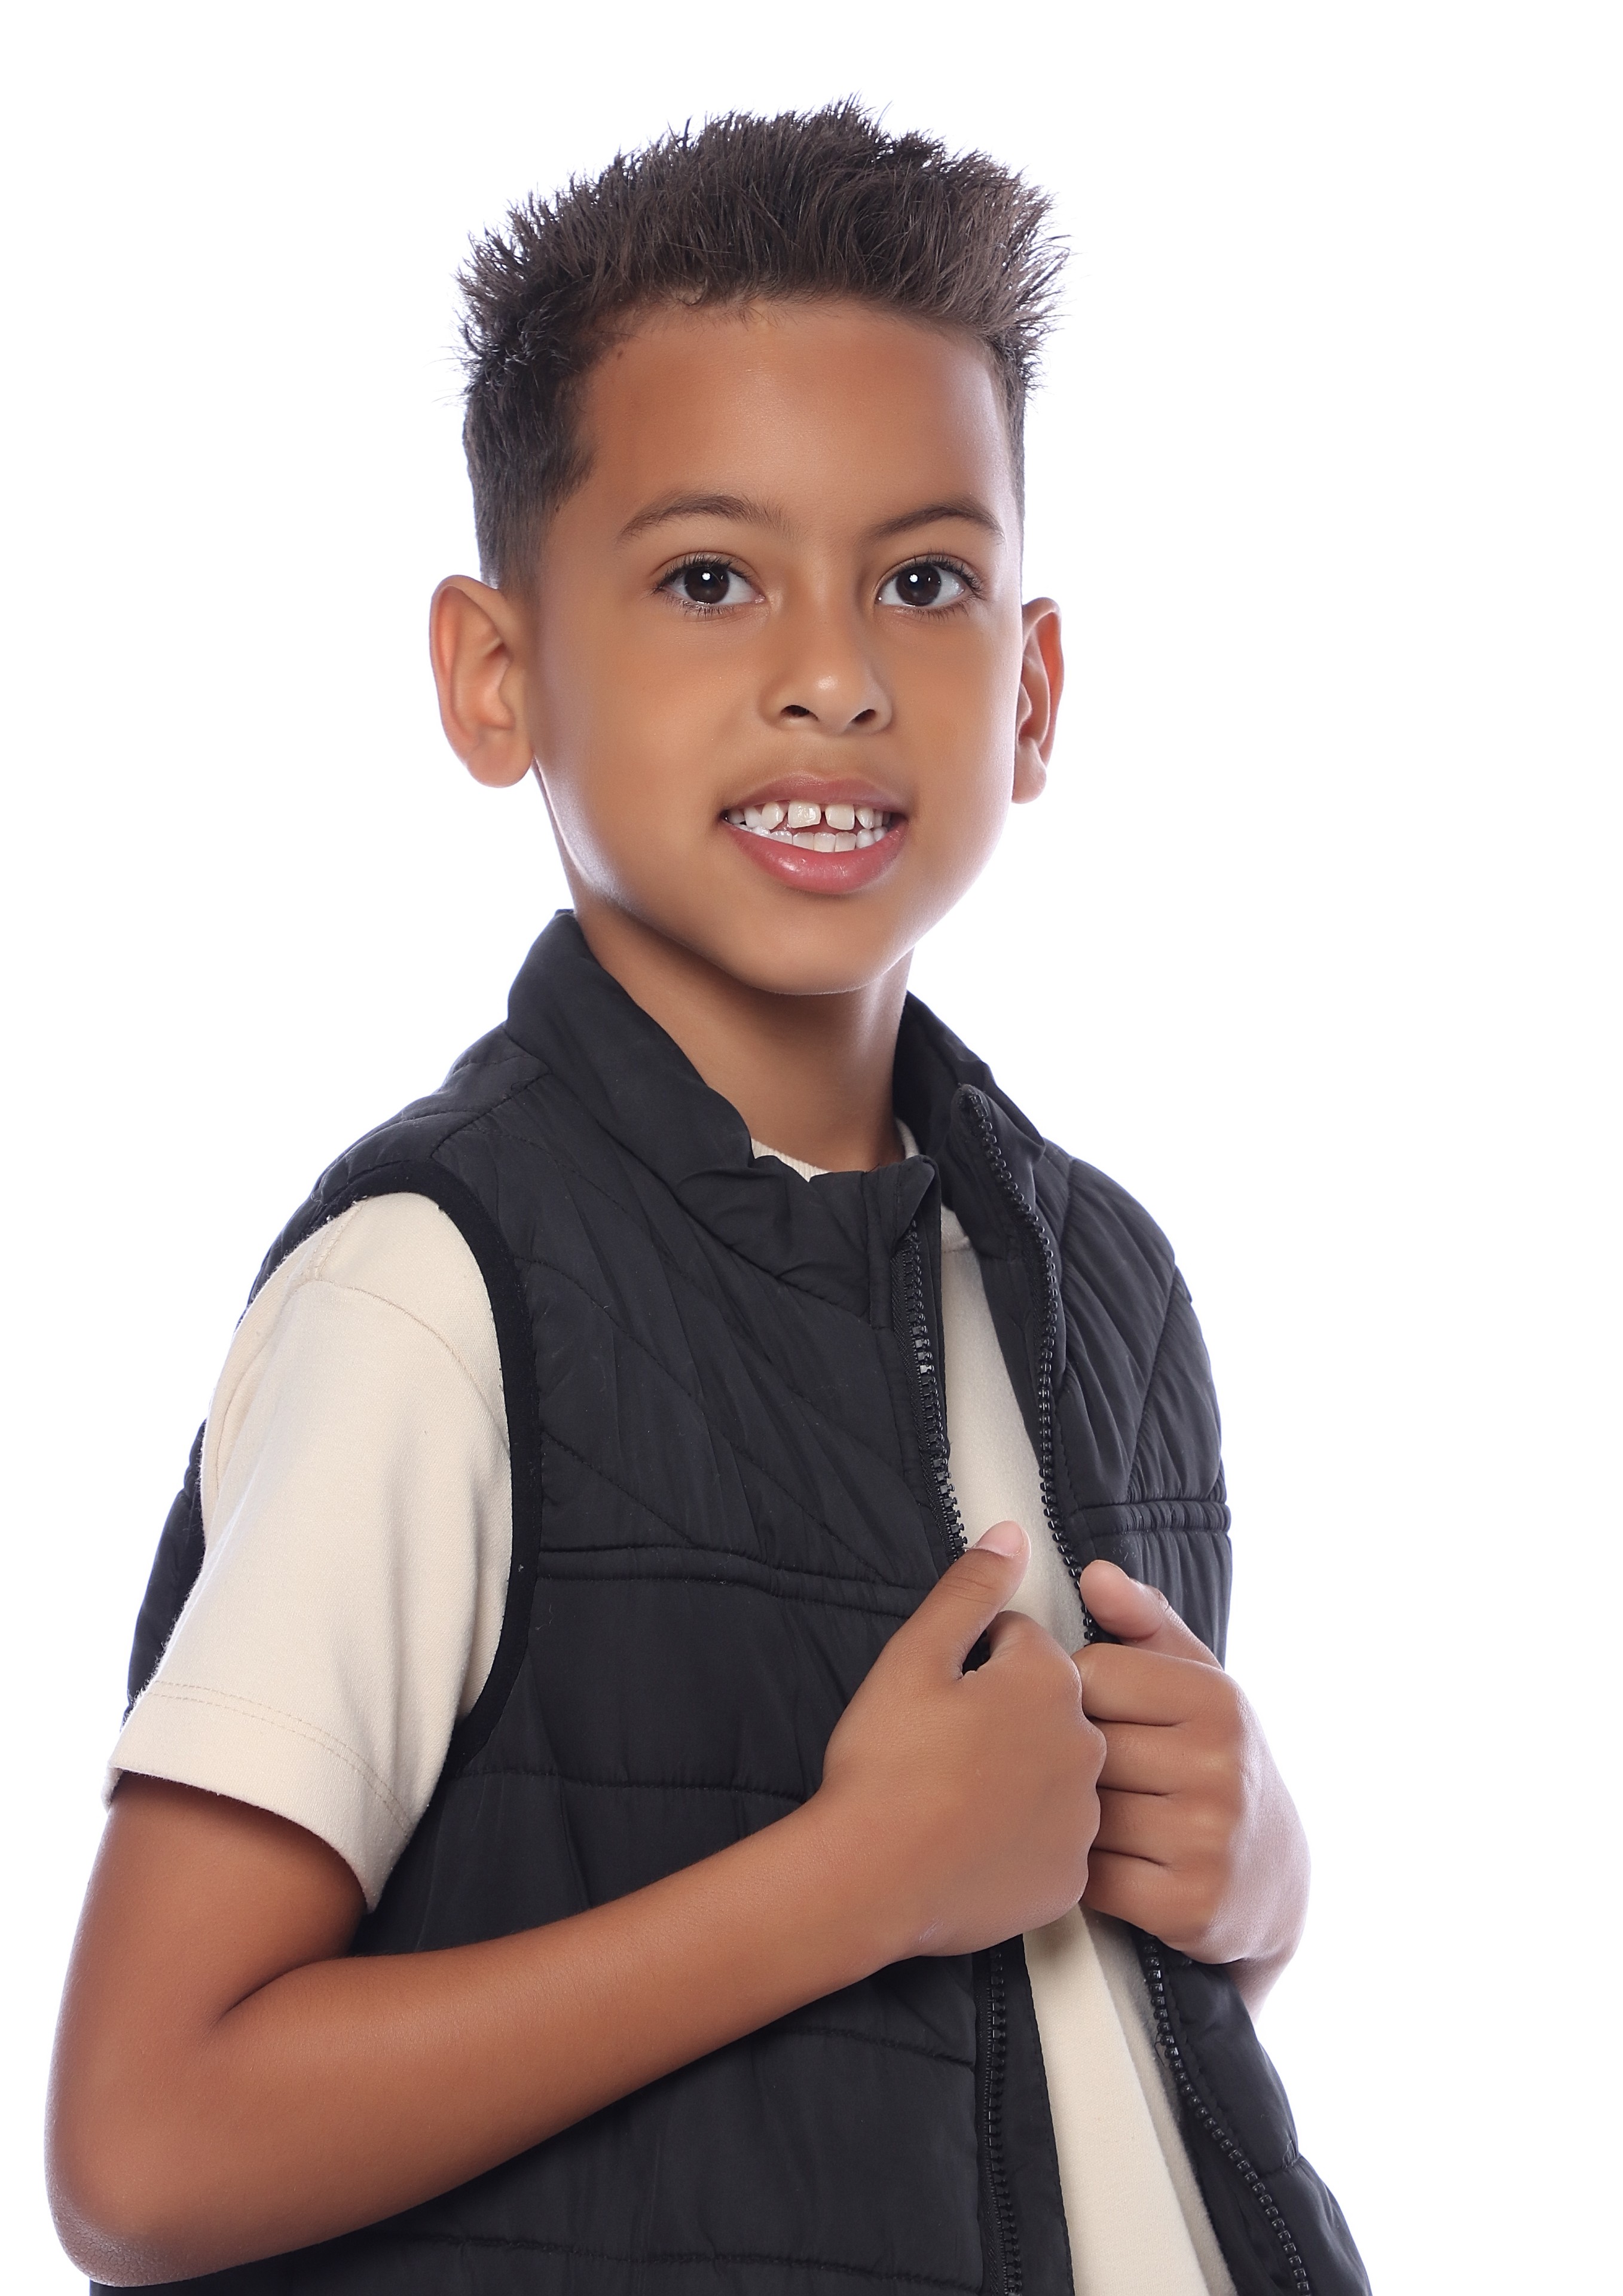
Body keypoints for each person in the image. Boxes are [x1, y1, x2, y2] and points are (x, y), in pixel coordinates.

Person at [47, 103, 1369, 2296]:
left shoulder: (1102, 1279)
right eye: (706, 579)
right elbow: (143, 2149)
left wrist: (1255, 1892)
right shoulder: (438, 1295)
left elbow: (1021, 2055)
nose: (832, 674)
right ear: (496, 676)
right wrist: (846, 1880)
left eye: (922, 581)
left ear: (1032, 690)